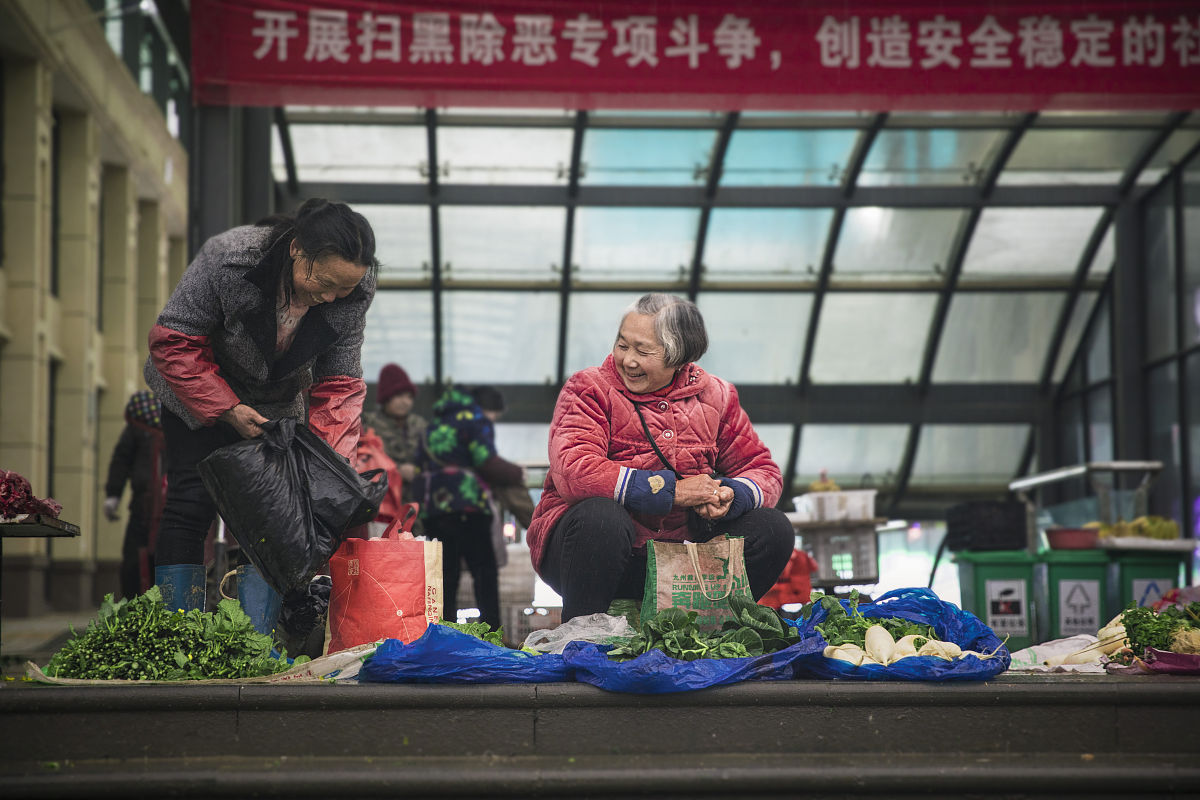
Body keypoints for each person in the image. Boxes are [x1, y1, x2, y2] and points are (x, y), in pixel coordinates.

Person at [143, 198, 379, 633]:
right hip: (198, 389)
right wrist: (227, 408)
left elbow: (339, 383)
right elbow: (174, 340)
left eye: (342, 290)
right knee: (190, 501)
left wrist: (325, 463)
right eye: (323, 282)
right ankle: (176, 634)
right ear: (296, 250)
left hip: (276, 405)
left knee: (274, 518)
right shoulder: (229, 258)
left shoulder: (353, 294)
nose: (329, 297)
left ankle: (254, 641)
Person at [526, 293, 794, 622]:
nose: (628, 360)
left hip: (681, 562)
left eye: (643, 350)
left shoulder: (718, 397)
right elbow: (575, 471)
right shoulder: (588, 389)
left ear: (679, 357)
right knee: (601, 517)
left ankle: (713, 622)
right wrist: (673, 491)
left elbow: (762, 470)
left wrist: (730, 494)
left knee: (773, 528)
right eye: (623, 345)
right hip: (593, 554)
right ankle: (584, 635)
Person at [416, 385, 524, 630]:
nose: (494, 420)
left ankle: (445, 634)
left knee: (446, 577)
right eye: (495, 414)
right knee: (484, 573)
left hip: (435, 510)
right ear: (486, 408)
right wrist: (517, 473)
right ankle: (492, 633)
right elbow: (485, 461)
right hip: (469, 508)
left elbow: (418, 464)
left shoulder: (434, 425)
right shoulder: (475, 420)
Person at [103, 390, 168, 600]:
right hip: (151, 506)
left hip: (163, 506)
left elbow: (121, 460)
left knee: (150, 558)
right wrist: (113, 494)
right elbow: (122, 460)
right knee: (140, 559)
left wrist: (113, 495)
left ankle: (142, 605)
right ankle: (139, 605)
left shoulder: (143, 422)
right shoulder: (142, 426)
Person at [361, 362, 428, 516]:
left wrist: (418, 471)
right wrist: (397, 471)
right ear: (386, 397)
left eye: (409, 397)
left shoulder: (420, 425)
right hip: (383, 508)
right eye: (399, 396)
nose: (405, 402)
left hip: (419, 508)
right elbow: (363, 465)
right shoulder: (370, 425)